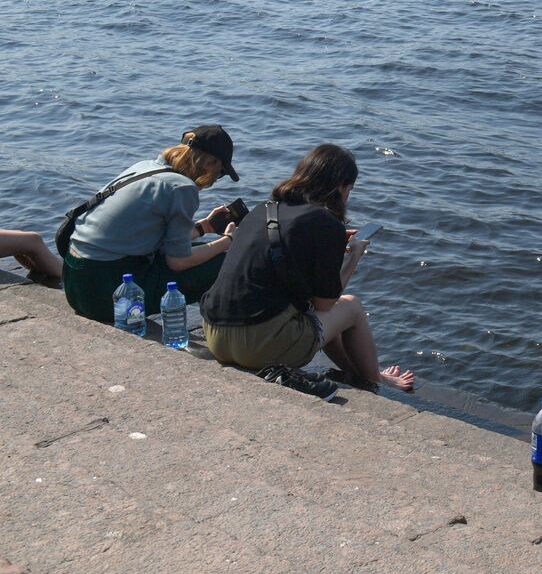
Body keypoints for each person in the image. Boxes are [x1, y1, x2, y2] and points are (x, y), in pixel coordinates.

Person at [200, 144, 413, 393]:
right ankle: (377, 378)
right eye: (349, 189)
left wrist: (331, 242)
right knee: (351, 306)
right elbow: (325, 305)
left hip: (215, 336)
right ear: (341, 187)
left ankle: (358, 373)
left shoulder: (265, 209)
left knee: (323, 316)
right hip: (257, 348)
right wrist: (354, 256)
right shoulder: (326, 223)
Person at [62, 125, 240, 323]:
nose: (216, 179)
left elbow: (155, 238)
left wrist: (203, 228)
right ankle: (224, 331)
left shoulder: (144, 167)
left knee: (201, 250)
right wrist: (228, 241)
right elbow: (178, 261)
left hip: (75, 282)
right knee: (229, 261)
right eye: (221, 172)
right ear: (210, 164)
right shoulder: (181, 188)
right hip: (108, 296)